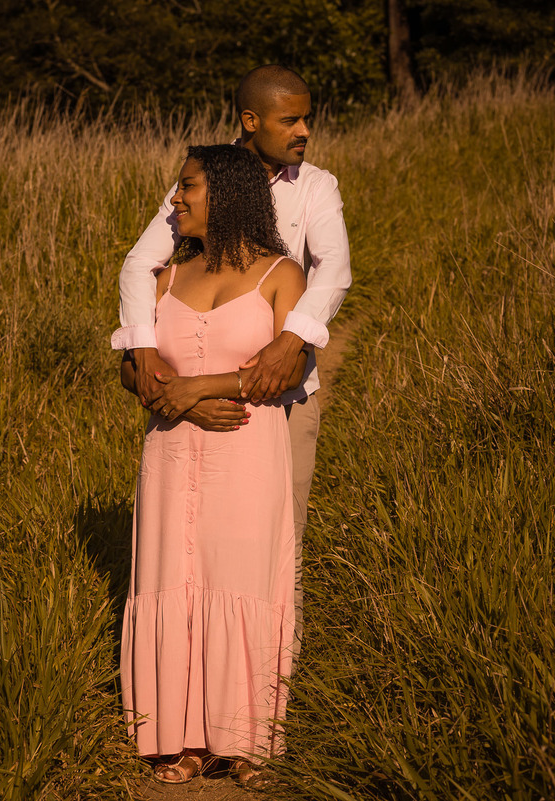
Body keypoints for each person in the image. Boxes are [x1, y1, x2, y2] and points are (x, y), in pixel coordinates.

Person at [111, 65, 351, 665]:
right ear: (250, 120)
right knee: (189, 547)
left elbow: (334, 269)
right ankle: (185, 677)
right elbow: (140, 263)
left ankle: (269, 687)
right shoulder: (204, 178)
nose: (304, 131)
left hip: (280, 393)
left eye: (306, 118)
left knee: (278, 542)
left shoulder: (315, 186)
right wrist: (145, 352)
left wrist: (290, 342)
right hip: (190, 394)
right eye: (291, 120)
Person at [118, 144, 307, 787]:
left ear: (226, 193)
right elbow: (131, 369)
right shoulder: (165, 279)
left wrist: (198, 389)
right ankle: (179, 736)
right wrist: (180, 401)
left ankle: (246, 742)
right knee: (173, 576)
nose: (175, 199)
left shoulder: (281, 275)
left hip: (246, 455)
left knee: (241, 580)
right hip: (169, 455)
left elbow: (287, 371)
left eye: (188, 186)